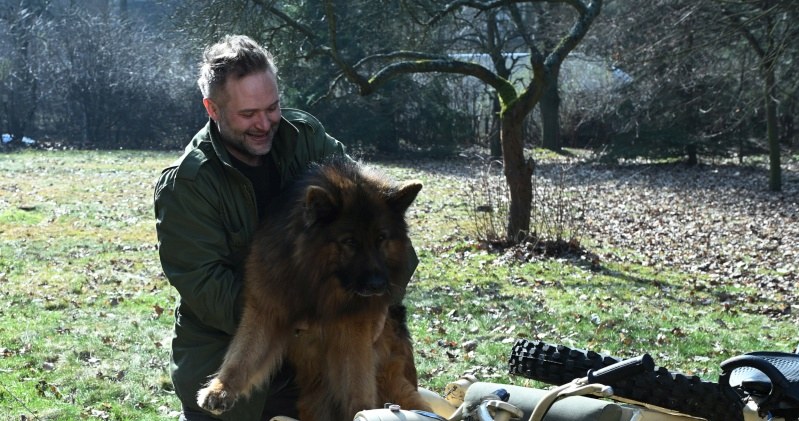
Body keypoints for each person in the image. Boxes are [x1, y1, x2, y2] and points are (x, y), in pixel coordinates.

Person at [153, 35, 416, 421]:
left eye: (272, 107)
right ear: (212, 108)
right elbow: (208, 290)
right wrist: (306, 318)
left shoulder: (303, 136)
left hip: (337, 336)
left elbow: (373, 220)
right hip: (237, 348)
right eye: (248, 114)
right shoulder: (187, 185)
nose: (264, 124)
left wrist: (376, 298)